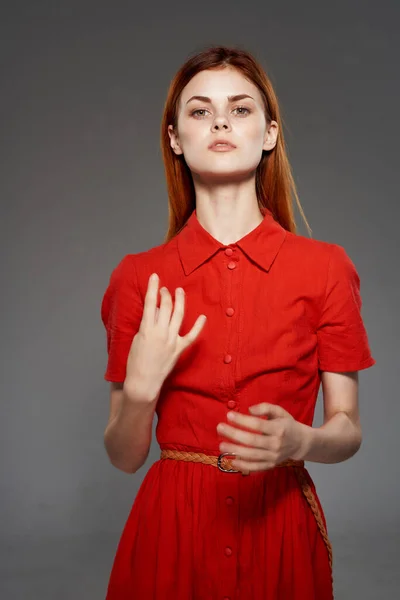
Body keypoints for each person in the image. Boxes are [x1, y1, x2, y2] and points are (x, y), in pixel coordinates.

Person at [100, 45, 375, 600]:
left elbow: (347, 427)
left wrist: (303, 440)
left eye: (241, 109)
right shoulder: (138, 278)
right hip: (171, 528)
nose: (220, 120)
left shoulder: (326, 268)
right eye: (199, 111)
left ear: (270, 133)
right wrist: (141, 391)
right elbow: (125, 455)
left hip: (279, 523)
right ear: (175, 138)